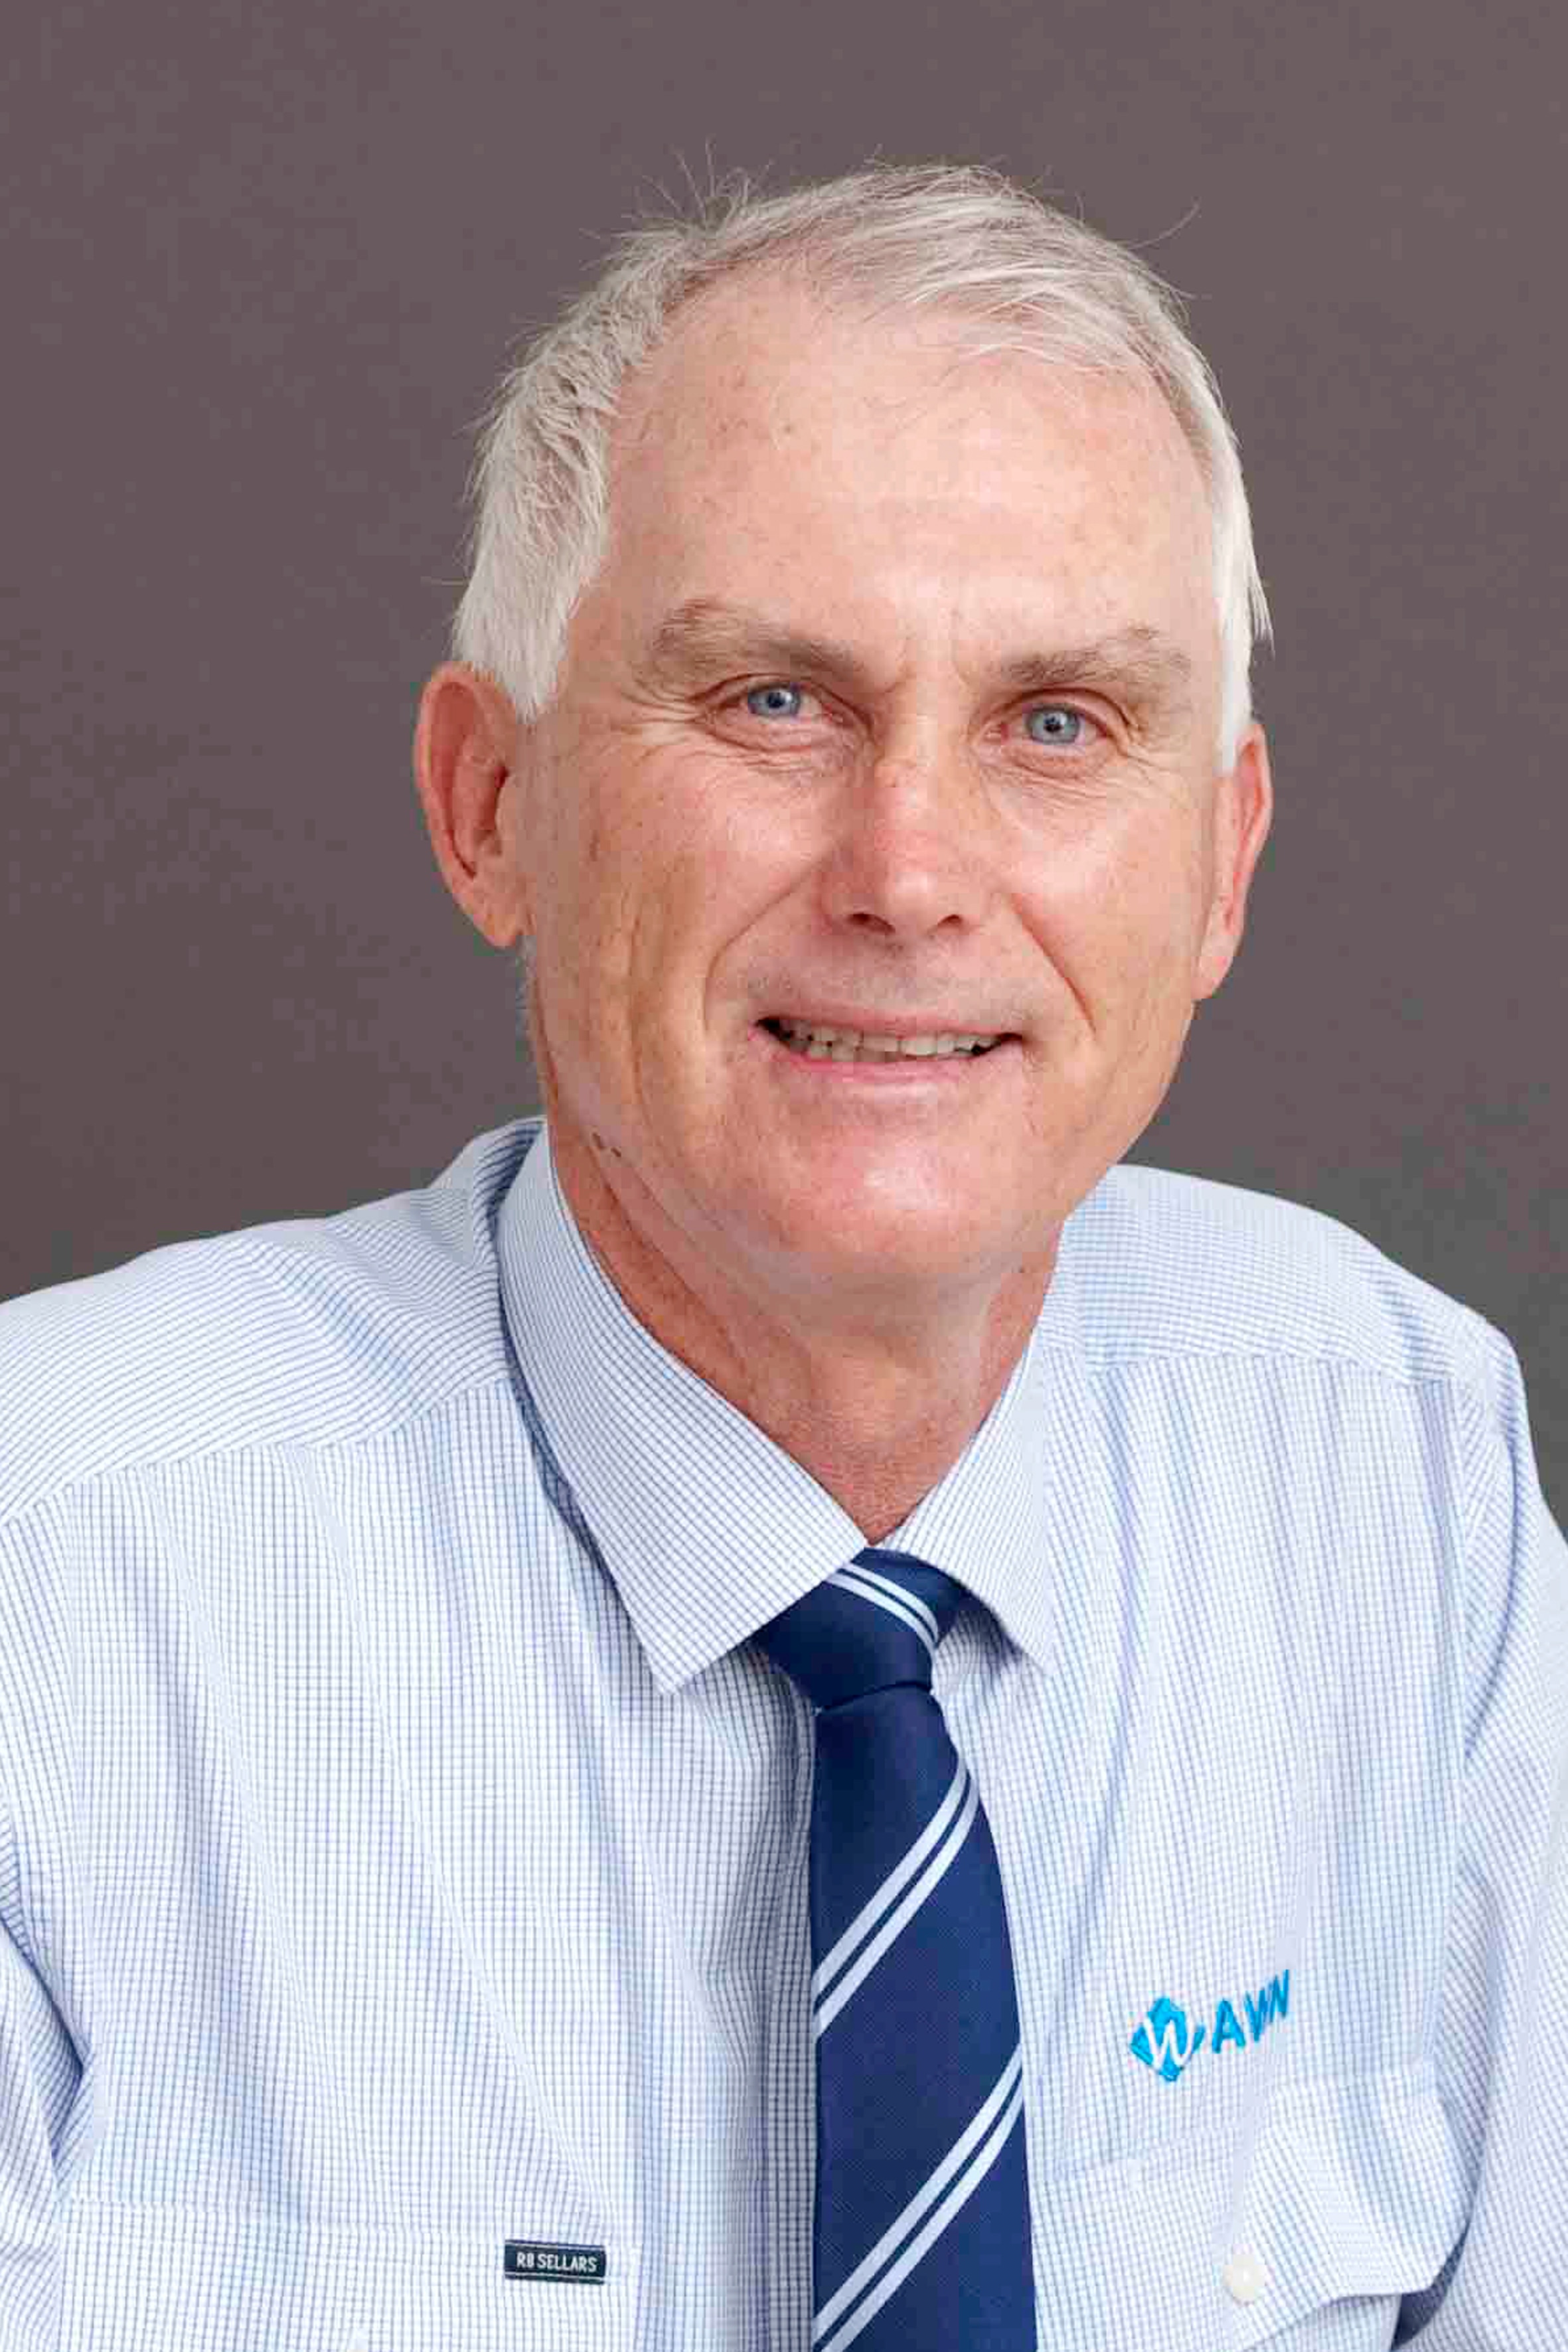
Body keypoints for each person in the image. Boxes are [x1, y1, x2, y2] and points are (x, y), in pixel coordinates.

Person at [1, 161, 1562, 2352]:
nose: (909, 871)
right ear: (490, 807)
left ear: (1218, 868)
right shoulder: (55, 1585)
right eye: (768, 703)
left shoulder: (1391, 1472)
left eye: (1056, 724)